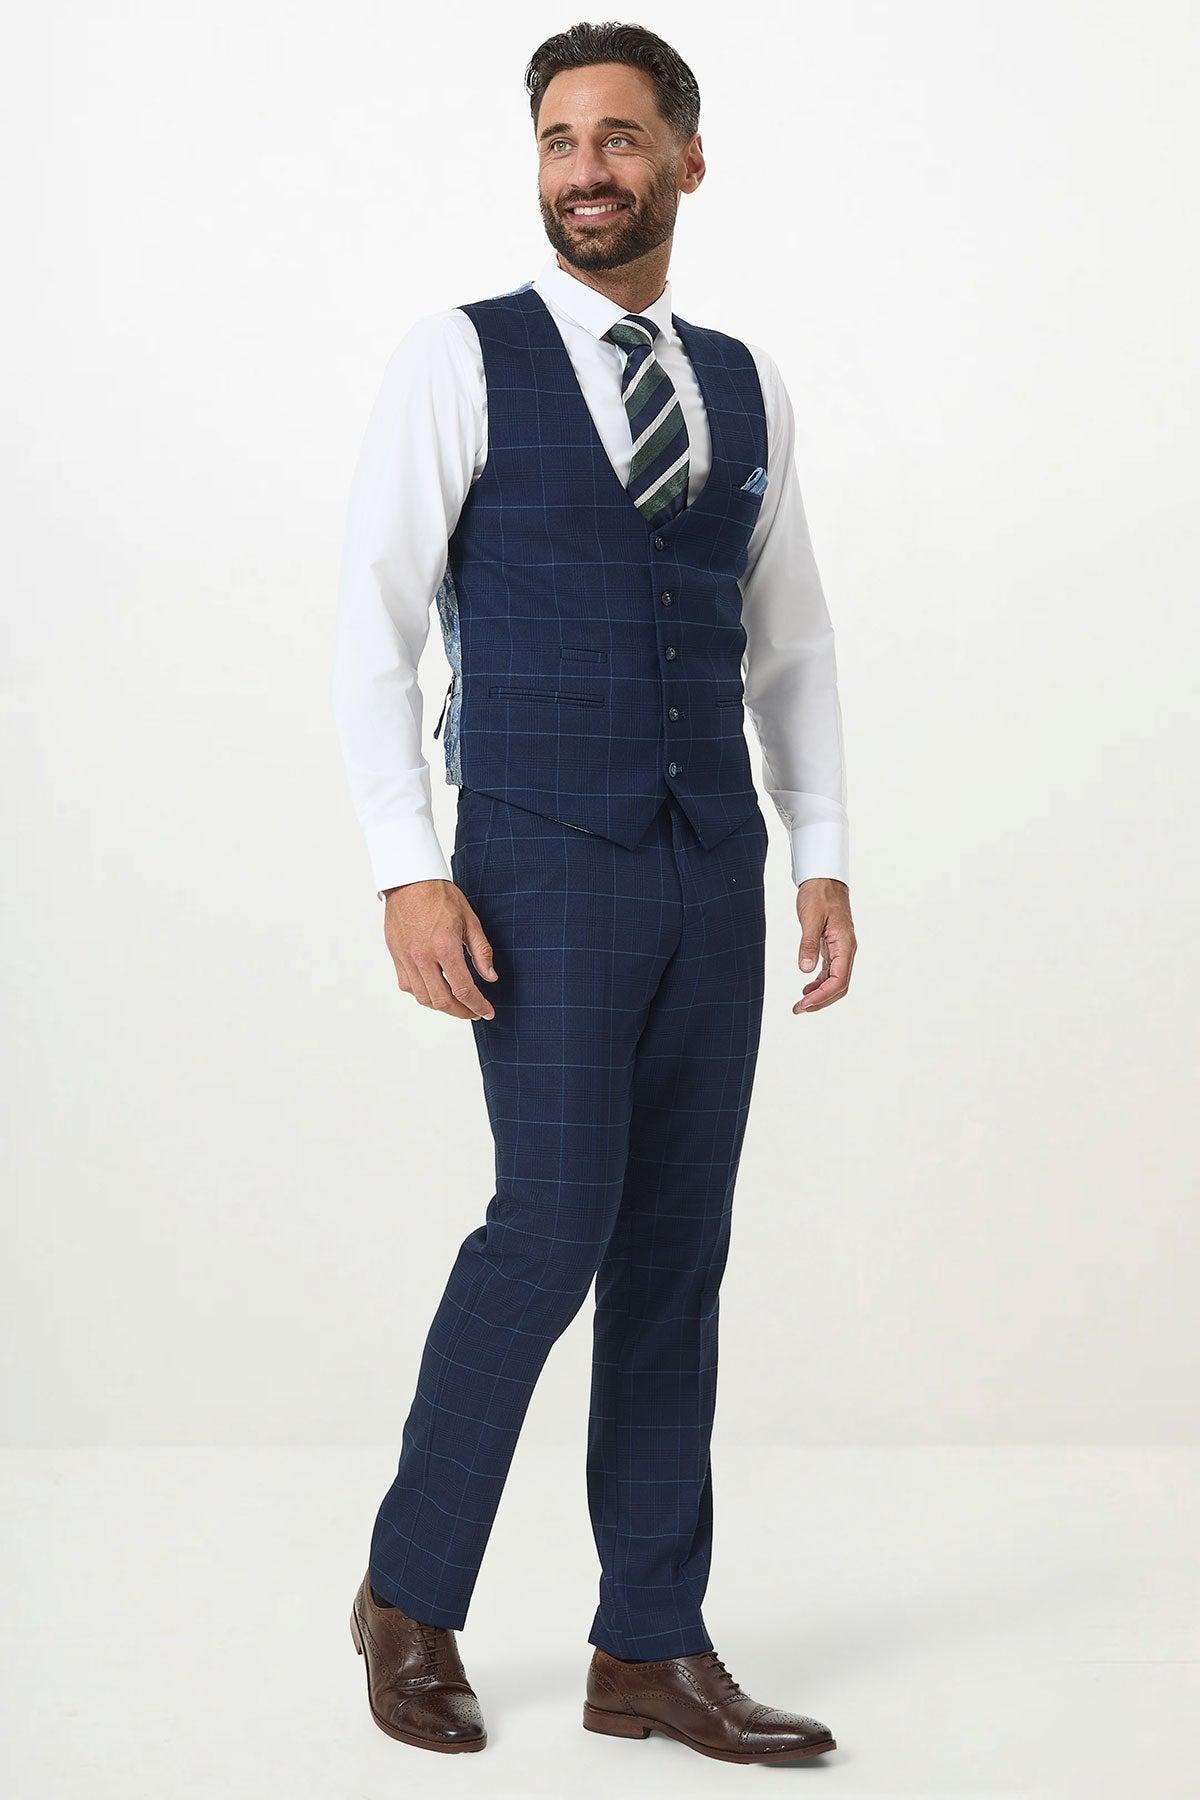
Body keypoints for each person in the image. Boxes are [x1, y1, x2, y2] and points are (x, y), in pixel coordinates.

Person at [331, 19, 855, 1765]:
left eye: (621, 138)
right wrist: (408, 869)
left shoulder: (745, 383)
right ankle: (409, 1595)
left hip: (712, 866)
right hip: (540, 859)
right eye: (561, 139)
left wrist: (822, 850)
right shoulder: (460, 358)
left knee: (676, 1252)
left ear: (686, 161)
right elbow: (372, 627)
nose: (587, 170)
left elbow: (791, 640)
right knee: (550, 1227)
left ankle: (649, 1644)